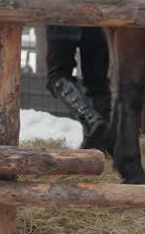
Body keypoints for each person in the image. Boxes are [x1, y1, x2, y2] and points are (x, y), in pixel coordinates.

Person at [45, 24, 112, 152]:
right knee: (98, 84)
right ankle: (104, 144)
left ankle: (92, 122)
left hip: (62, 19)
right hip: (98, 21)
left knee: (57, 76)